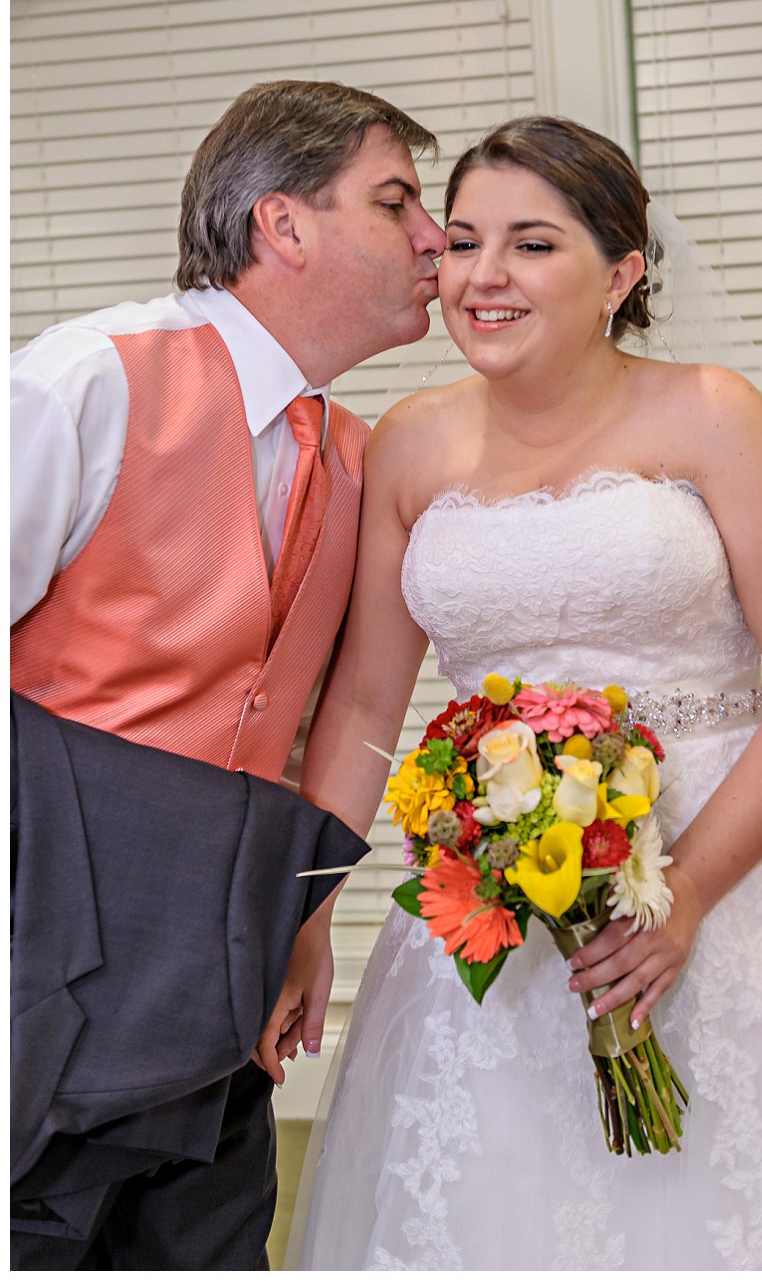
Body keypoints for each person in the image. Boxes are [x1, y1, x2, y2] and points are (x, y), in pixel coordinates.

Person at [287, 116, 762, 1269]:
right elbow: (368, 710)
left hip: (721, 870)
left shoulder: (715, 415)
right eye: (463, 241)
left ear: (621, 273)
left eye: (532, 245)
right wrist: (308, 909)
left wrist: (685, 898)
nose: (482, 277)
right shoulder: (410, 446)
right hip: (494, 898)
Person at [9, 79, 443, 1268]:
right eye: (396, 199)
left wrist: (306, 912)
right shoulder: (90, 378)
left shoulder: (360, 456)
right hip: (50, 978)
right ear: (283, 223)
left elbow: (331, 717)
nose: (434, 239)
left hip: (231, 983)